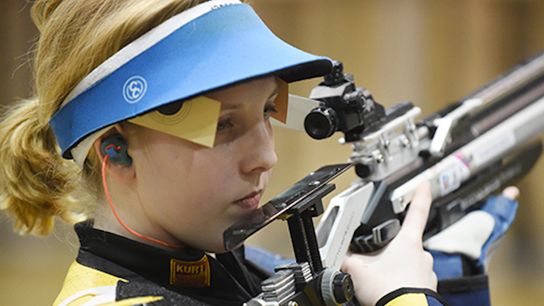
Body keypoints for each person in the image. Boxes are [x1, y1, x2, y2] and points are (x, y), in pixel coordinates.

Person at [0, 1, 513, 305]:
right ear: (116, 150)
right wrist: (407, 297)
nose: (265, 158)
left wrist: (451, 277)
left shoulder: (240, 272)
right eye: (224, 126)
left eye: (269, 111)